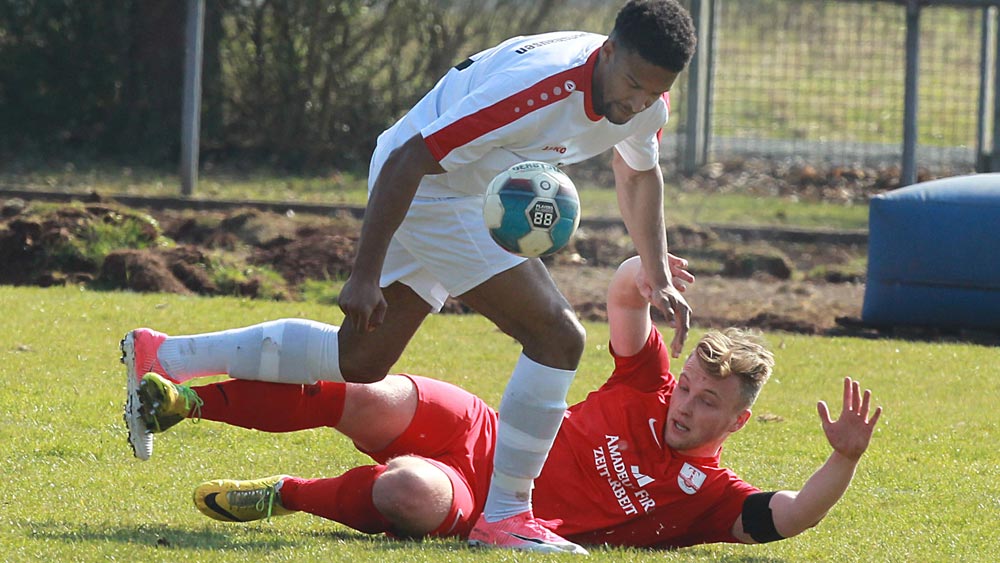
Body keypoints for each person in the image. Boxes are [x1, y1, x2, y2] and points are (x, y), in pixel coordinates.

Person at [122, 0, 699, 553]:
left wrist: (657, 272)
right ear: (608, 50)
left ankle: (165, 356)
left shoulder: (647, 102)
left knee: (361, 360)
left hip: (458, 189)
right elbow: (410, 159)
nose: (638, 101)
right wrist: (363, 274)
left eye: (653, 91)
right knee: (557, 337)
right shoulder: (539, 88)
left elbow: (638, 174)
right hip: (426, 188)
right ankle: (507, 517)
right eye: (632, 83)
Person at [127, 256, 882, 552]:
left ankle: (286, 493)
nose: (683, 404)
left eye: (707, 401)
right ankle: (184, 401)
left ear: (738, 421)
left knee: (407, 492)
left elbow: (790, 516)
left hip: (489, 505)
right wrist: (644, 268)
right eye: (687, 385)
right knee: (362, 391)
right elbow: (624, 302)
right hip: (483, 428)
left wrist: (842, 460)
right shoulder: (647, 382)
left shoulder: (710, 496)